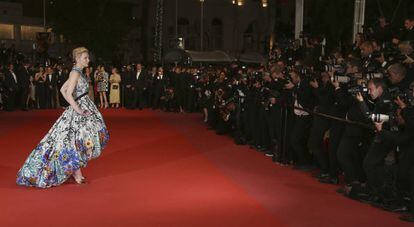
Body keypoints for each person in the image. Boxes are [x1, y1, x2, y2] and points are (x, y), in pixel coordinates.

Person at [16, 47, 109, 188]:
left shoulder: (78, 72)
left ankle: (76, 170)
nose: (88, 60)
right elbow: (69, 93)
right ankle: (76, 173)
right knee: (78, 141)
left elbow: (62, 90)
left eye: (87, 57)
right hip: (79, 110)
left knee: (77, 141)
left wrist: (76, 106)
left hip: (81, 107)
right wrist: (78, 109)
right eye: (85, 57)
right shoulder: (75, 73)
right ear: (77, 59)